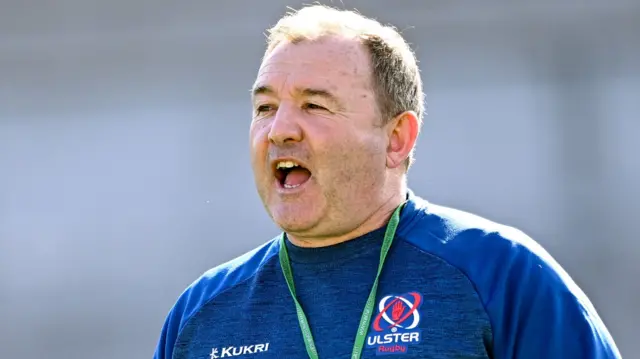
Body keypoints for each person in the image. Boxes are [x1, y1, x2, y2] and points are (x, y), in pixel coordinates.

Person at [153, 5, 621, 359]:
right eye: (265, 108)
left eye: (314, 105)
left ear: (397, 139)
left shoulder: (501, 273)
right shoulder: (201, 314)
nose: (280, 130)